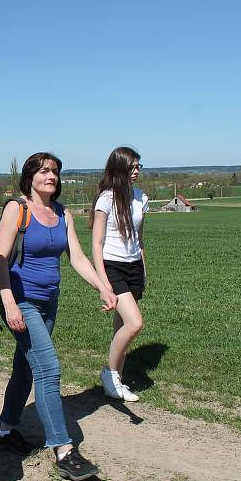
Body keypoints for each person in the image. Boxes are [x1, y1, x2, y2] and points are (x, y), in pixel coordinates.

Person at [0, 152, 117, 481]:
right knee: (48, 369)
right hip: (22, 301)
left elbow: (75, 256)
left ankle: (5, 430)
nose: (52, 176)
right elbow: (0, 258)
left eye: (56, 172)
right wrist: (9, 303)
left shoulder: (61, 213)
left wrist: (102, 287)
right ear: (30, 177)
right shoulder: (16, 209)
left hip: (50, 302)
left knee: (26, 368)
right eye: (44, 171)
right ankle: (63, 450)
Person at [91, 146, 148, 403]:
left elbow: (139, 238)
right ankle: (110, 373)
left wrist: (144, 270)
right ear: (119, 168)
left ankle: (117, 382)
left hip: (134, 266)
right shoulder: (106, 199)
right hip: (112, 266)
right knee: (135, 323)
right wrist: (103, 282)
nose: (136, 171)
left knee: (121, 326)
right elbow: (97, 243)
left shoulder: (141, 198)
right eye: (131, 166)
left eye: (138, 166)